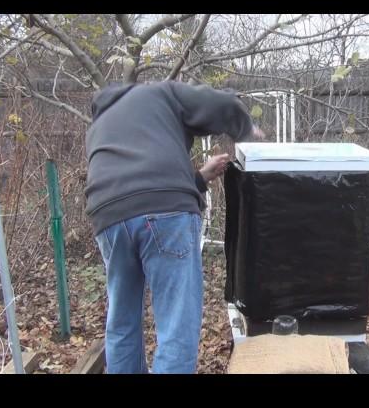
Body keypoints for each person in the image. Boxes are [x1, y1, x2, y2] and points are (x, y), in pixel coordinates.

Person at [84, 80, 264, 374]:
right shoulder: (159, 92)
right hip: (167, 213)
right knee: (176, 324)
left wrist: (199, 178)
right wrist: (244, 127)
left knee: (122, 321)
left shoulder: (100, 124)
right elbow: (217, 103)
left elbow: (135, 189)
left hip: (109, 217)